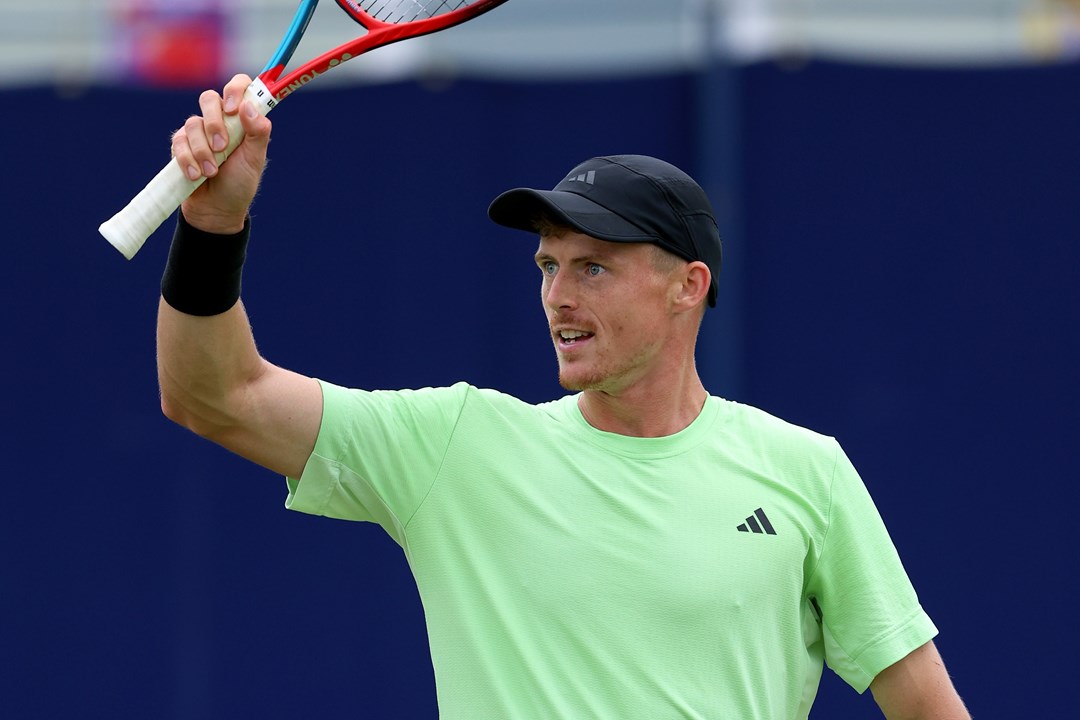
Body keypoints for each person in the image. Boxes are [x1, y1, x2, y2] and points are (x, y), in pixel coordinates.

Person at [159, 74, 971, 719]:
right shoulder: (458, 445)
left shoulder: (806, 471)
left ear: (688, 286)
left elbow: (925, 704)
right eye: (549, 266)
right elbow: (215, 394)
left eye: (594, 267)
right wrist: (214, 223)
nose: (557, 296)